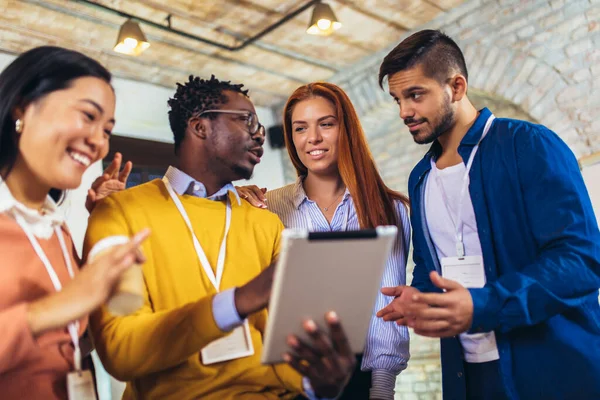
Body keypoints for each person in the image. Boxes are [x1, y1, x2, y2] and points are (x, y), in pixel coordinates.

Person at [83, 75, 355, 400]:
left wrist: (317, 383)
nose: (259, 135)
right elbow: (120, 349)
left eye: (259, 125)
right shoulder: (117, 210)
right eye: (247, 121)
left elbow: (289, 349)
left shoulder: (265, 223)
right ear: (200, 127)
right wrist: (239, 301)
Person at [376, 29, 600, 399]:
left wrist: (483, 305)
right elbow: (432, 267)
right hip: (468, 376)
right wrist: (418, 296)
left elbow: (582, 260)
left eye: (415, 95)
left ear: (457, 87)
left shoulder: (529, 144)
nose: (404, 112)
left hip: (554, 370)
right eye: (397, 99)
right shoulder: (420, 178)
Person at [237, 81, 411, 400]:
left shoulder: (390, 208)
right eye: (300, 128)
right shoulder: (269, 207)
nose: (313, 138)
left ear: (346, 130)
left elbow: (387, 308)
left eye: (326, 124)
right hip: (286, 376)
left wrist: (382, 391)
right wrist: (236, 206)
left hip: (359, 379)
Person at [0, 46, 148, 399]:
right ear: (23, 106)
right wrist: (52, 310)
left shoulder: (56, 230)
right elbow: (55, 312)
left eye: (107, 129)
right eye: (87, 116)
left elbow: (70, 342)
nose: (98, 142)